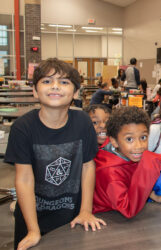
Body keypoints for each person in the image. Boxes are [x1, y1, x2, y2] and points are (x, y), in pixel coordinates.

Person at [5, 58, 105, 250]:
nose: (55, 86)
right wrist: (33, 230)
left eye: (64, 82)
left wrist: (85, 211)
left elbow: (87, 167)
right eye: (47, 81)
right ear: (35, 90)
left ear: (76, 92)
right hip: (31, 217)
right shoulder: (23, 128)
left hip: (72, 217)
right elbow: (24, 179)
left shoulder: (83, 122)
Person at [93, 107, 161, 218]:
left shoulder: (125, 152)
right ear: (114, 141)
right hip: (106, 220)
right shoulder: (109, 172)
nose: (139, 146)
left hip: (119, 215)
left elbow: (130, 183)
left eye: (143, 137)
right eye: (129, 139)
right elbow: (128, 209)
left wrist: (152, 195)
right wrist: (148, 166)